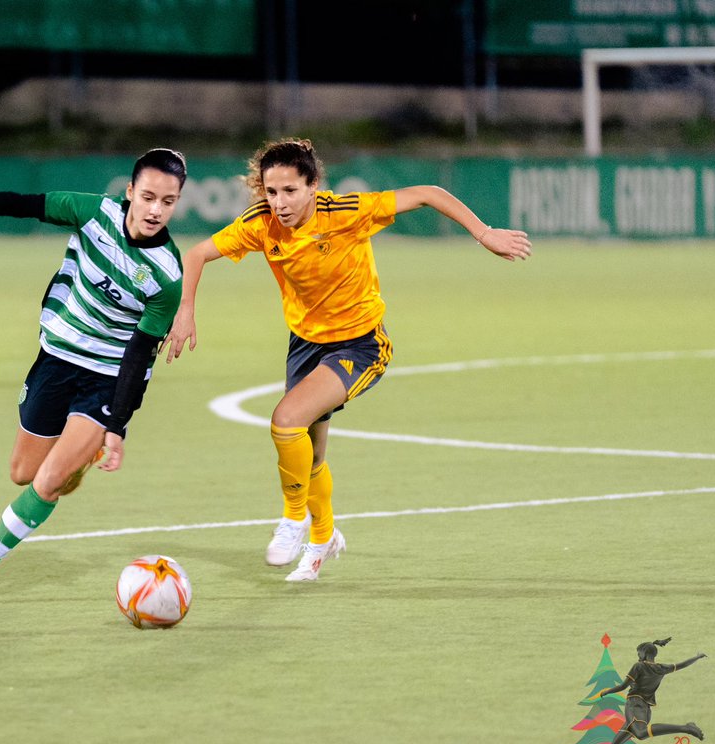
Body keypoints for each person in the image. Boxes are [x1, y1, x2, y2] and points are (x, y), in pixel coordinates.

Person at [164, 138, 531, 582]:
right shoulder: (261, 224)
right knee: (311, 455)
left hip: (360, 344)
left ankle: (294, 518)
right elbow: (198, 253)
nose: (279, 203)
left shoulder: (346, 212)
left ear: (314, 186)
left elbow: (430, 193)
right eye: (271, 192)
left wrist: (485, 233)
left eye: (290, 192)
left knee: (285, 421)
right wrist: (185, 309)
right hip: (305, 343)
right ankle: (322, 541)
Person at [0, 148, 188, 605]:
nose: (156, 210)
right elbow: (26, 203)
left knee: (50, 480)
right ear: (130, 193)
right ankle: (70, 462)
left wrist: (117, 426)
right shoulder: (92, 212)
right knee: (24, 473)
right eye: (149, 197)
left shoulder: (166, 274)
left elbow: (140, 356)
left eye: (169, 201)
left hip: (106, 376)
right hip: (57, 359)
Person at [577, 638, 706, 744]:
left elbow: (623, 686)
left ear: (643, 654)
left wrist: (605, 692)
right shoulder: (662, 668)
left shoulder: (638, 666)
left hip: (634, 705)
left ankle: (686, 728)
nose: (638, 656)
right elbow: (682, 665)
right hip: (645, 710)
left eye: (639, 653)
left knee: (641, 733)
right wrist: (697, 657)